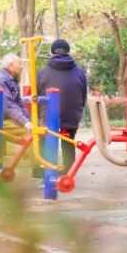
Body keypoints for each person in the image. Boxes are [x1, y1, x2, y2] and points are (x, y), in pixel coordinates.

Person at [36, 38, 88, 168]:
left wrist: (38, 117)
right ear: (69, 52)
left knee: (44, 138)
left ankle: (43, 169)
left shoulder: (42, 73)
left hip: (48, 118)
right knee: (69, 140)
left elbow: (36, 96)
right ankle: (69, 170)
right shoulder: (80, 73)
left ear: (51, 53)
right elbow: (83, 96)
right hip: (71, 117)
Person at [0, 54, 33, 168]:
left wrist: (29, 120)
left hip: (7, 117)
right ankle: (37, 168)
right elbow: (8, 105)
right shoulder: (1, 80)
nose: (21, 66)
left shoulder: (11, 80)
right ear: (10, 66)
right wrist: (24, 122)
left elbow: (19, 103)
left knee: (36, 128)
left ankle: (35, 163)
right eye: (19, 64)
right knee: (32, 133)